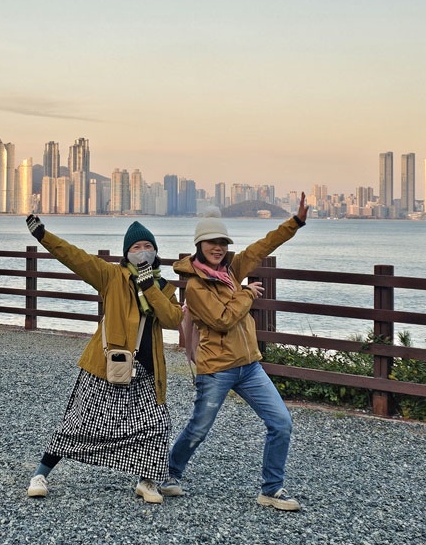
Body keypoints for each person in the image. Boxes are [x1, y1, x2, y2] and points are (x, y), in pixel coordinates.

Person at [23, 213, 184, 503]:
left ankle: (146, 482)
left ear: (156, 252)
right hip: (108, 366)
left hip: (147, 371)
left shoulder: (164, 289)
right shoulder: (111, 277)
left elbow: (173, 319)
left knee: (157, 425)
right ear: (126, 254)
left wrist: (150, 288)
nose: (142, 251)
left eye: (147, 246)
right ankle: (40, 474)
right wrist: (43, 236)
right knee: (80, 423)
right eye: (135, 248)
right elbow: (76, 258)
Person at [164, 193, 309, 511]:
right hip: (217, 368)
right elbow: (223, 319)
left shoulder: (231, 270)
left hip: (249, 365)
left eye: (223, 242)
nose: (219, 248)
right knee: (199, 428)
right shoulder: (196, 287)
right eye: (212, 242)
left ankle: (271, 489)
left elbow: (263, 245)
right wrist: (246, 293)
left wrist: (295, 222)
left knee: (281, 422)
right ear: (199, 245)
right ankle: (170, 473)